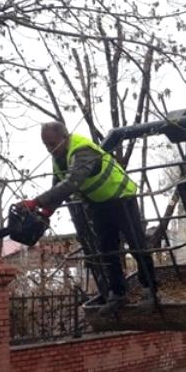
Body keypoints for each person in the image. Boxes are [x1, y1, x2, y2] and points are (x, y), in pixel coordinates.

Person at [21, 121, 157, 315]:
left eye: (52, 144)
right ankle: (118, 294)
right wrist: (47, 210)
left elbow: (72, 183)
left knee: (136, 244)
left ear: (65, 137)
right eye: (46, 145)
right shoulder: (59, 157)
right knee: (106, 250)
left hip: (121, 197)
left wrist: (36, 202)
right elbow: (58, 185)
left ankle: (150, 290)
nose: (50, 149)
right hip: (99, 204)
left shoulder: (82, 150)